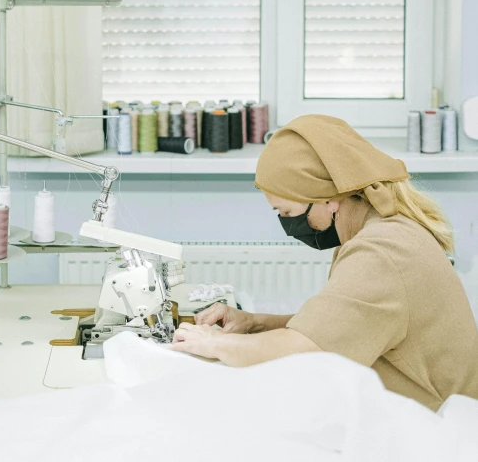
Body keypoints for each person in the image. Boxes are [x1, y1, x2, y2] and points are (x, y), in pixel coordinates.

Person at [172, 114, 478, 411]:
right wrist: (254, 323)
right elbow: (336, 327)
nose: (288, 225)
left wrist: (214, 343)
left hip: (433, 428)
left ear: (329, 198)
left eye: (289, 213)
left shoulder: (381, 253)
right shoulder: (385, 230)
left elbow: (303, 351)